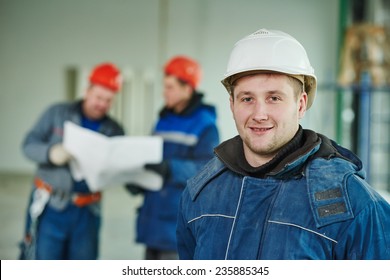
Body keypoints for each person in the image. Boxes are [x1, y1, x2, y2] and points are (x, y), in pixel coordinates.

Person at [177, 28, 390, 260]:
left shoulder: (353, 203)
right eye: (247, 99)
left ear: (300, 105)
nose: (259, 114)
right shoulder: (201, 192)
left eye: (274, 98)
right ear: (232, 105)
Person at [20, 62, 124, 259]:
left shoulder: (114, 131)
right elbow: (28, 144)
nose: (102, 104)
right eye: (98, 97)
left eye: (108, 100)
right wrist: (50, 153)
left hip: (87, 212)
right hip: (50, 207)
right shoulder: (56, 113)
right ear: (87, 91)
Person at [127, 55, 220, 259]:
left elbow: (208, 169)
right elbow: (151, 159)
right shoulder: (163, 120)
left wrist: (170, 168)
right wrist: (137, 179)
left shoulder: (205, 125)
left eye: (170, 87)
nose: (164, 92)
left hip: (177, 223)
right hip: (153, 219)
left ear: (187, 89)